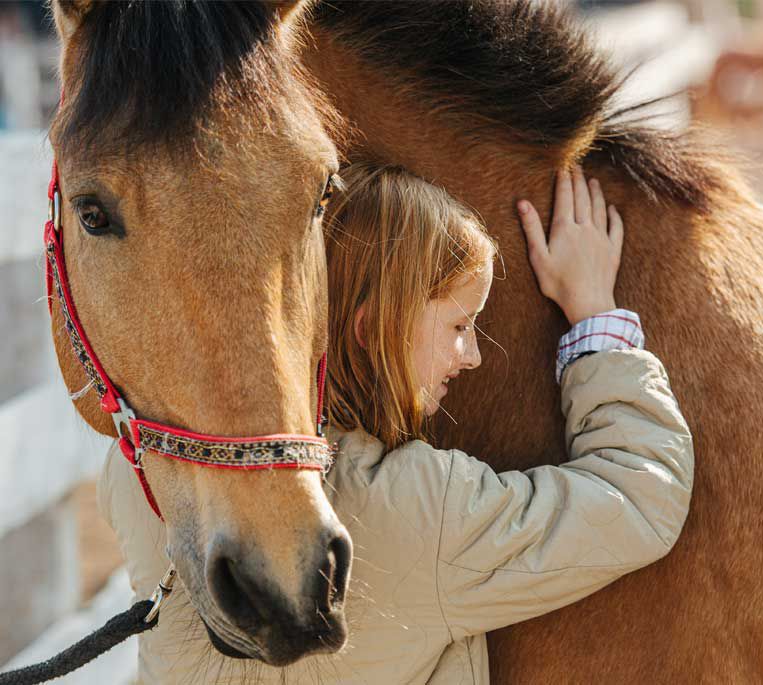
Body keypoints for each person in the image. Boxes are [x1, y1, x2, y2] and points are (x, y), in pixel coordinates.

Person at [98, 163, 694, 684]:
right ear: (371, 330)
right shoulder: (421, 509)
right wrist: (594, 312)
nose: (473, 356)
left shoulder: (145, 475)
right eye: (459, 327)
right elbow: (642, 498)